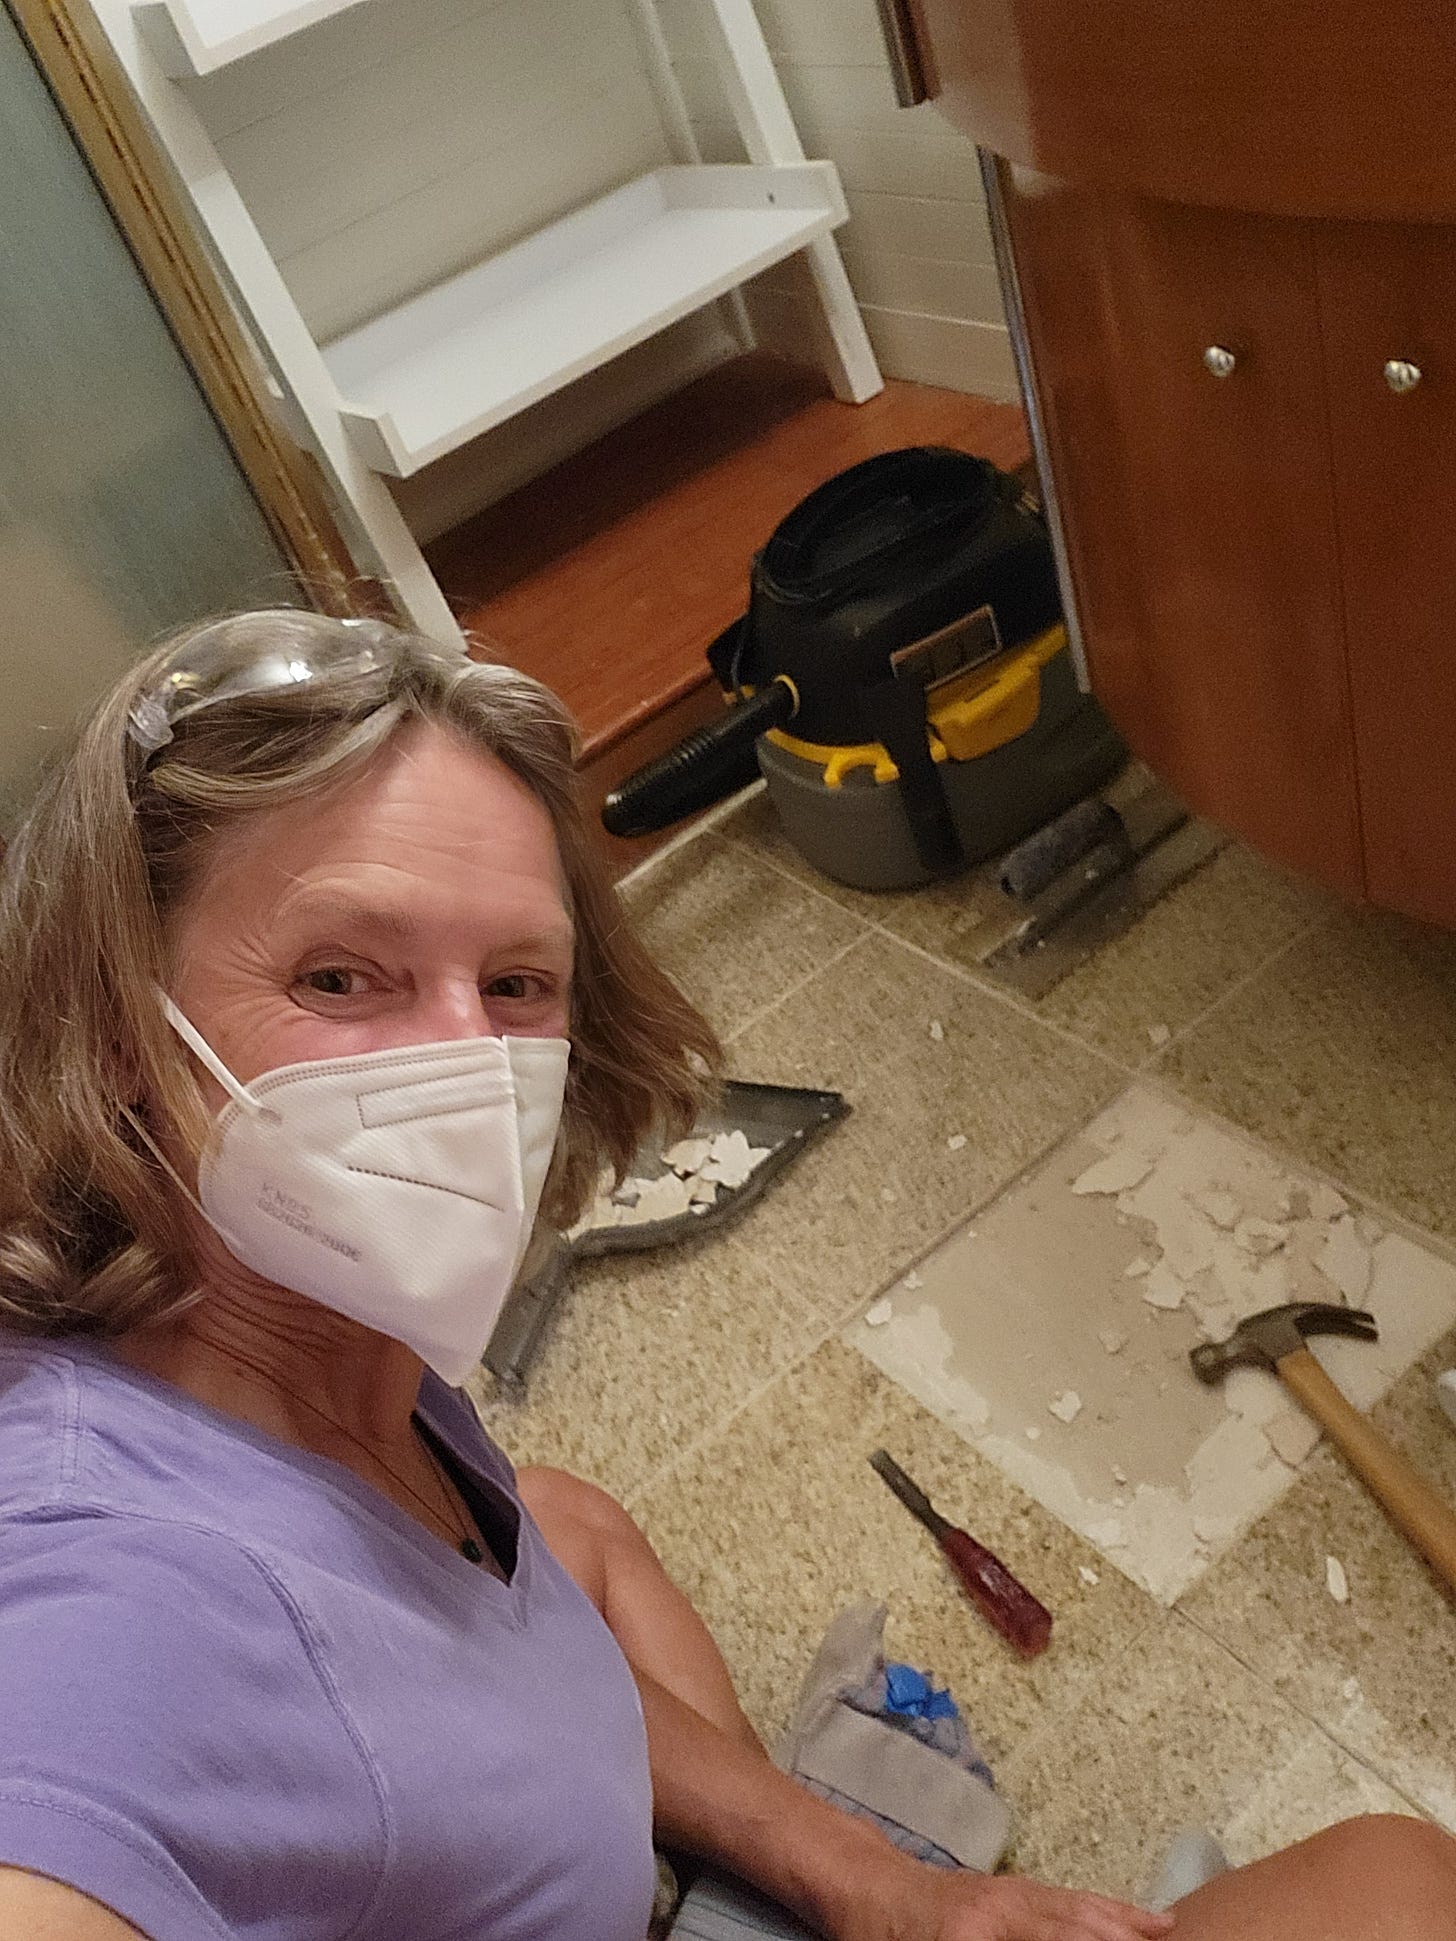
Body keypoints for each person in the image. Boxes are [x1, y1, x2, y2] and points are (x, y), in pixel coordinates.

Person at [0, 610, 1449, 1941]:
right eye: (338, 975)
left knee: (565, 1525)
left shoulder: (317, 1360)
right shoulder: (115, 1609)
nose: (461, 1065)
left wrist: (876, 1886)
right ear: (119, 1025)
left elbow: (483, 1668)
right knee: (1397, 1883)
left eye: (515, 985)